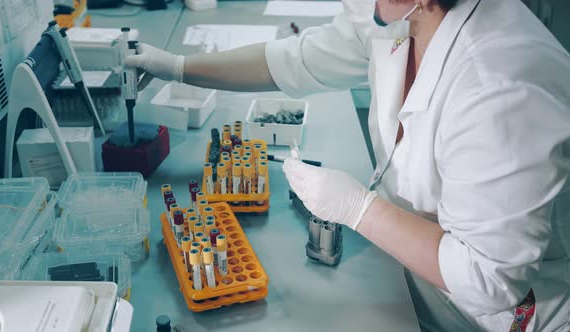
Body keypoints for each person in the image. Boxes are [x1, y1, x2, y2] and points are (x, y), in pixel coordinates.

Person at [125, 0, 570, 330]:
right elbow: (298, 58)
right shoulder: (402, 14)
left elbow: (488, 279)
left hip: (504, 317)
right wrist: (179, 66)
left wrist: (360, 210)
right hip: (418, 286)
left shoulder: (501, 89)